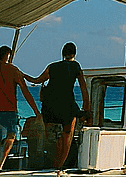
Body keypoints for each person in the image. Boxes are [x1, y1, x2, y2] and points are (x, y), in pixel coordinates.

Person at [0, 46, 42, 170]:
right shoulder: (13, 70)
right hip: (9, 109)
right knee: (11, 136)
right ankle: (0, 164)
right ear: (8, 55)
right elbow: (26, 92)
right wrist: (36, 111)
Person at [37, 41, 89, 169]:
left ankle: (55, 164)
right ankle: (59, 167)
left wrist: (24, 76)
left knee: (57, 138)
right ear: (74, 54)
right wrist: (86, 108)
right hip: (67, 106)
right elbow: (83, 88)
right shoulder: (76, 66)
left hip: (50, 106)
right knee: (67, 136)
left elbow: (37, 80)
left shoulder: (52, 66)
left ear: (63, 53)